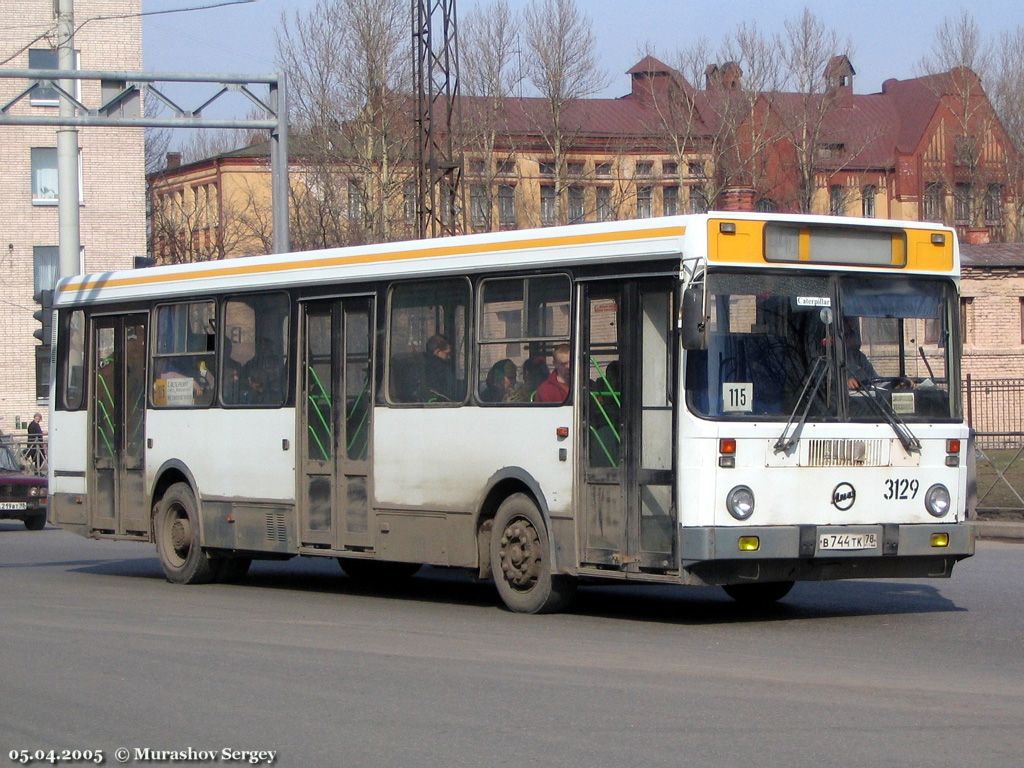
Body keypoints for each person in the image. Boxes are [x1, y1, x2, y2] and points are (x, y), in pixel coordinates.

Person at [843, 317, 877, 389]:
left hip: (864, 399)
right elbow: (818, 381)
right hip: (834, 399)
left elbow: (875, 379)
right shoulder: (821, 359)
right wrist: (843, 383)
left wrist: (892, 385)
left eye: (850, 333)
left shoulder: (858, 357)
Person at [422, 334, 454, 401]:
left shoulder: (423, 363)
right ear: (437, 352)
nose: (449, 357)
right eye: (447, 354)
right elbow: (447, 392)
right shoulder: (441, 368)